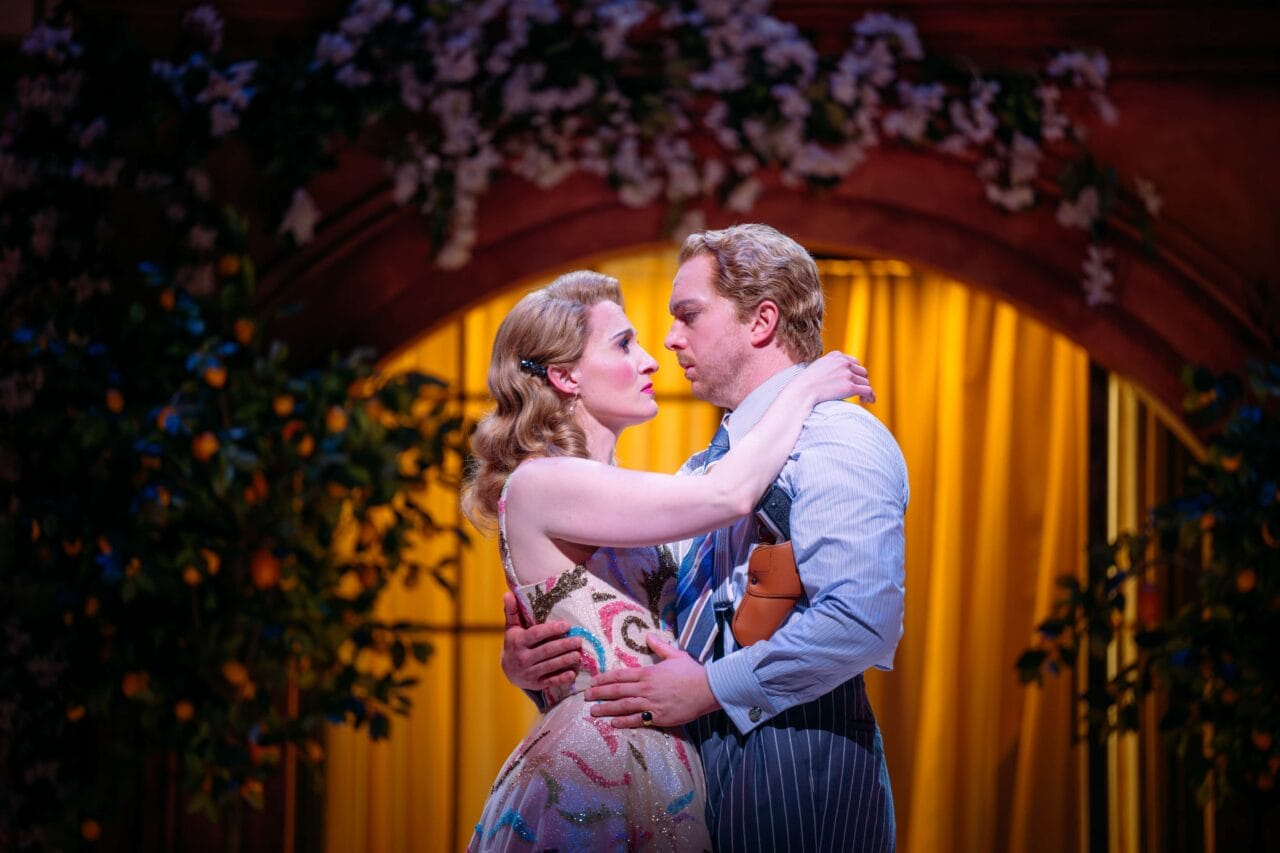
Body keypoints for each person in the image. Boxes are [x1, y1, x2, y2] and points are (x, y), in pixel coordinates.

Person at [503, 224, 909, 851]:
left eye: (687, 315)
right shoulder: (702, 473)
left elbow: (861, 620)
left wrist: (708, 689)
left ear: (761, 321)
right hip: (674, 768)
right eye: (631, 339)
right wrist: (541, 660)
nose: (665, 344)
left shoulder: (835, 439)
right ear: (563, 376)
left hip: (795, 768)